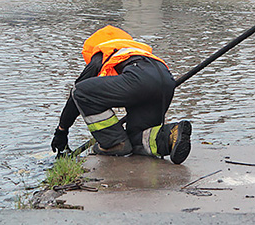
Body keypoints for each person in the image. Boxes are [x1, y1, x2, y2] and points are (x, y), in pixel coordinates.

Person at [50, 25, 192, 164]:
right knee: (136, 138)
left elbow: (77, 95)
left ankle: (114, 143)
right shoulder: (137, 51)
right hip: (166, 83)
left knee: (81, 92)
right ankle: (171, 135)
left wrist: (62, 131)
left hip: (139, 80)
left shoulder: (102, 53)